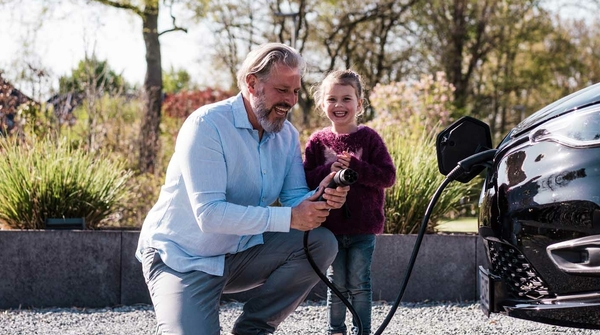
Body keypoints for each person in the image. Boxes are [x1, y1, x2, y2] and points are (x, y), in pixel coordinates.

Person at [136, 43, 351, 335]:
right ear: (252, 83)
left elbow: (293, 198)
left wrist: (322, 196)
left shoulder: (286, 134)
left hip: (240, 252)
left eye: (296, 91)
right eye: (282, 90)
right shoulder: (207, 125)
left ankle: (254, 328)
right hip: (183, 258)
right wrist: (289, 217)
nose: (291, 101)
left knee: (321, 242)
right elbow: (209, 216)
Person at [303, 69, 396, 335]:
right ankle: (336, 330)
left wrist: (356, 166)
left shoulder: (369, 138)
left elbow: (387, 176)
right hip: (329, 229)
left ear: (360, 103)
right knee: (336, 283)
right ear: (322, 104)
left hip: (363, 228)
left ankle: (362, 330)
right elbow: (307, 179)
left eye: (346, 98)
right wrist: (330, 169)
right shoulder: (318, 141)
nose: (339, 105)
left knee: (359, 283)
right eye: (332, 99)